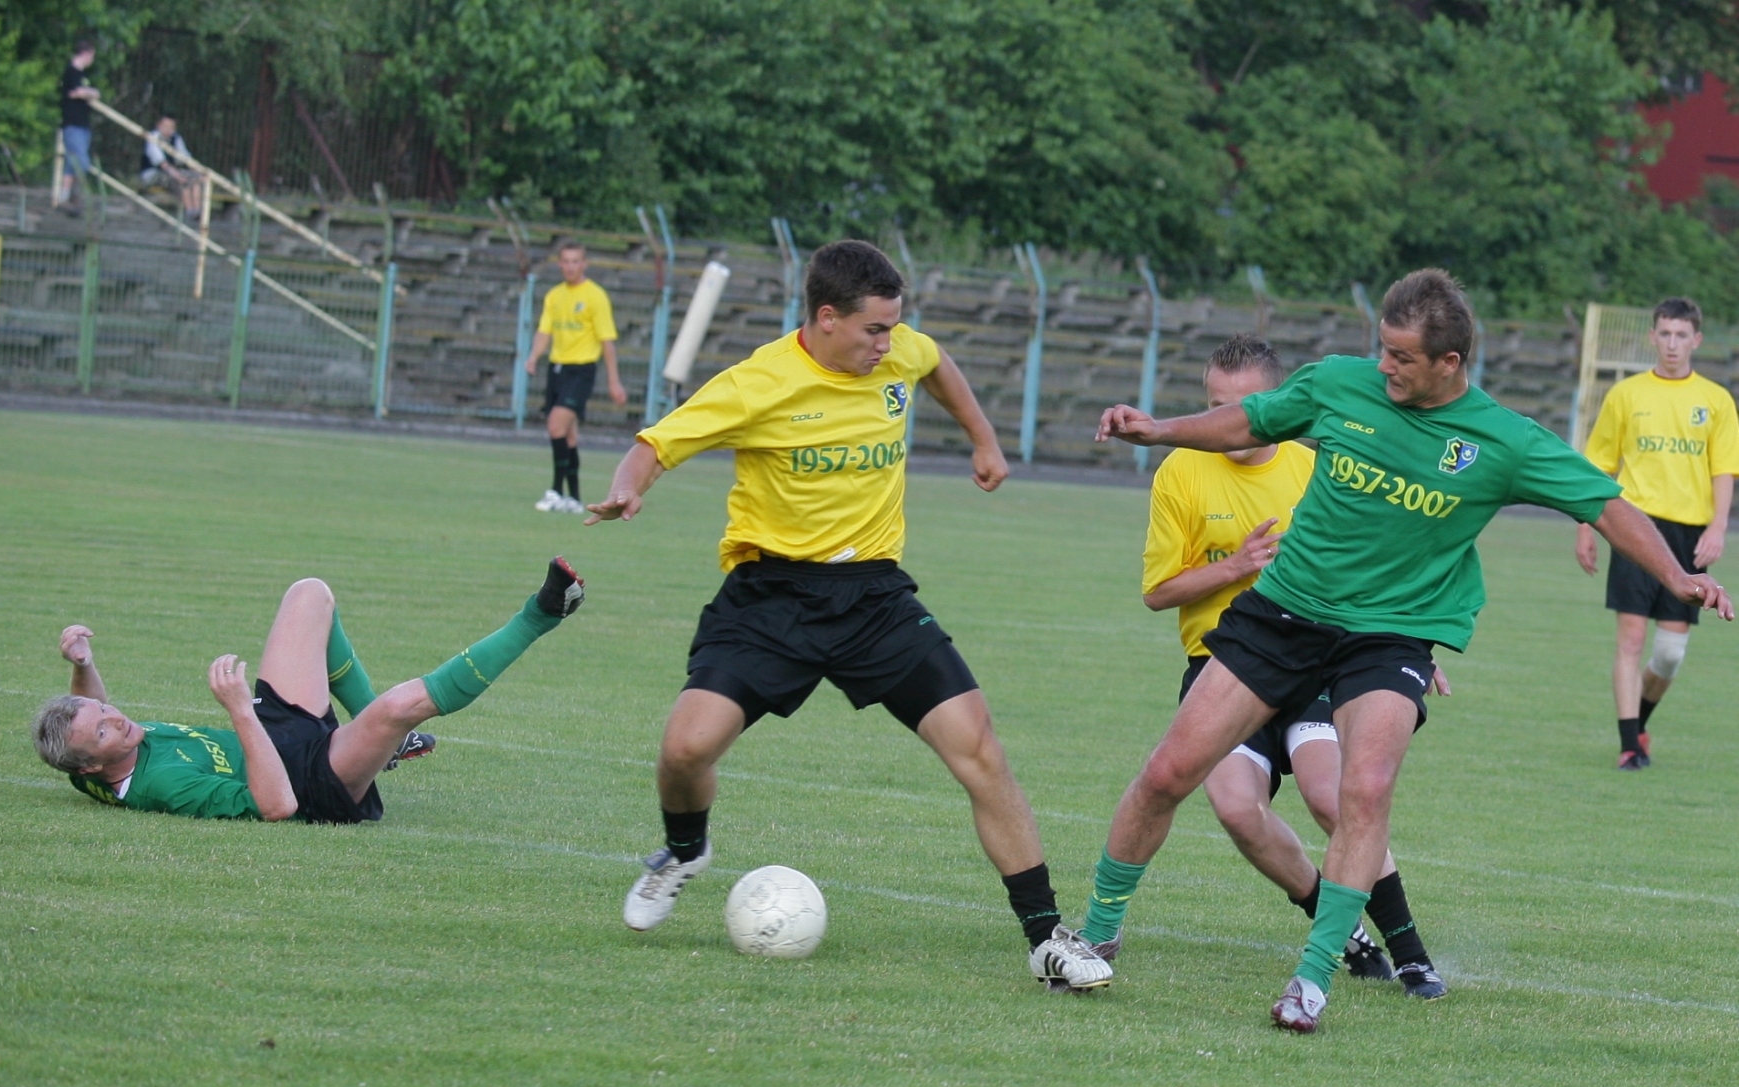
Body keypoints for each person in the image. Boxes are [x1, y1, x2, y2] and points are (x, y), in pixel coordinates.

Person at [1088, 268, 1730, 1033]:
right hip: (1284, 614)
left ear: (1447, 362)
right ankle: (1093, 934)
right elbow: (1249, 422)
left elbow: (1606, 504)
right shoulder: (1337, 384)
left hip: (1388, 636)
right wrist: (1156, 429)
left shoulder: (1504, 439)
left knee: (1362, 791)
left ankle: (1310, 981)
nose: (1383, 366)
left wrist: (1675, 576)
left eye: (1400, 356)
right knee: (1168, 771)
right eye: (1382, 349)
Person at [584, 239, 1112, 991]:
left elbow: (936, 364)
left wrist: (983, 439)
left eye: (893, 327)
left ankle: (1045, 937)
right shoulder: (759, 382)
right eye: (874, 329)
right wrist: (628, 487)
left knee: (980, 750)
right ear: (826, 318)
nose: (888, 344)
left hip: (873, 597)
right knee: (684, 750)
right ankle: (685, 849)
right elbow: (657, 445)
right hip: (770, 597)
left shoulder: (898, 353)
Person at [1092, 333, 1448, 1000]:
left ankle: (1411, 955)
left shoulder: (1317, 466)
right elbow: (1157, 592)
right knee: (1234, 808)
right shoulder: (1181, 470)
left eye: (1242, 405)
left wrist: (1405, 646)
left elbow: (1370, 566)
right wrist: (1235, 567)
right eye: (1213, 405)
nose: (1227, 419)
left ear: (1277, 404)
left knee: (1332, 797)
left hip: (1316, 660)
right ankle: (1338, 924)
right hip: (1222, 666)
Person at [33, 559, 584, 822]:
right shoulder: (163, 786)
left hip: (274, 736)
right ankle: (542, 614)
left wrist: (84, 666)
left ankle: (388, 742)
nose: (116, 717)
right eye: (103, 730)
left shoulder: (96, 758)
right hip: (307, 780)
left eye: (104, 708)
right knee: (401, 705)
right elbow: (278, 806)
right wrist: (239, 710)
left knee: (309, 594)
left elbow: (84, 722)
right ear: (92, 766)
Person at [1574, 297, 1739, 769]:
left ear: (1696, 340)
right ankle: (1629, 745)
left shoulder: (1716, 400)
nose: (1672, 343)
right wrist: (1585, 526)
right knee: (1629, 640)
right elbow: (1598, 467)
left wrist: (1718, 526)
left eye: (1681, 335)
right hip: (1634, 527)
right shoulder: (1626, 395)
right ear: (1652, 336)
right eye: (1664, 333)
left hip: (1689, 534)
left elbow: (1724, 469)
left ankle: (1639, 721)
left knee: (1669, 654)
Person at [524, 241, 627, 514]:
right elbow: (544, 331)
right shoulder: (554, 296)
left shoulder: (595, 296)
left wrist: (614, 381)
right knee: (568, 436)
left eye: (575, 261)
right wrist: (534, 356)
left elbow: (607, 342)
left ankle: (556, 491)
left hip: (581, 371)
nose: (570, 267)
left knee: (555, 426)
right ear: (560, 264)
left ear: (584, 264)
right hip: (557, 369)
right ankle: (574, 499)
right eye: (566, 261)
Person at [57, 41, 99, 212]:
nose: (92, 59)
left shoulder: (82, 75)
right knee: (81, 162)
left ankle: (64, 197)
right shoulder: (71, 71)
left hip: (82, 125)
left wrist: (88, 93)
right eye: (92, 55)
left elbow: (84, 92)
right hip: (74, 124)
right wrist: (91, 93)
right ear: (86, 54)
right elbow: (78, 93)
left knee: (71, 162)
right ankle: (77, 195)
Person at [139, 115, 203, 221]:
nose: (168, 129)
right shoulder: (153, 137)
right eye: (165, 126)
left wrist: (198, 172)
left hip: (172, 171)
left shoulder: (176, 138)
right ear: (158, 125)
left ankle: (197, 211)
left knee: (195, 178)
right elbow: (162, 164)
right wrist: (179, 177)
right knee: (181, 180)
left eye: (171, 127)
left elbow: (185, 157)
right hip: (153, 173)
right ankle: (189, 210)